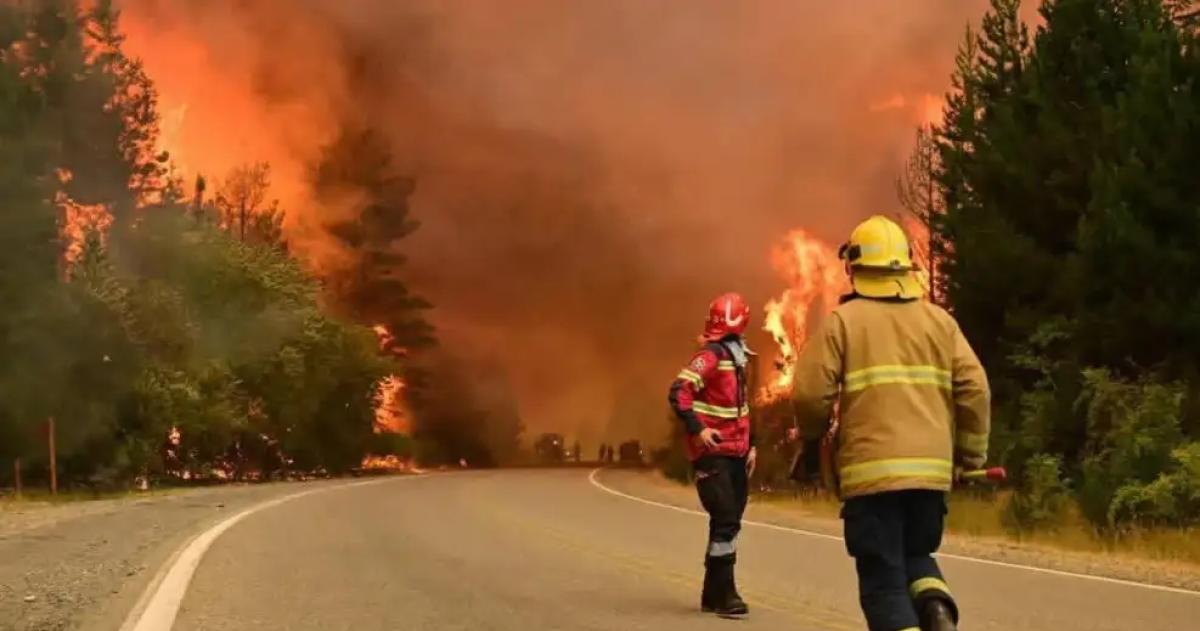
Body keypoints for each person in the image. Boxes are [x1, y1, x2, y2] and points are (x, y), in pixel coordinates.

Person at [792, 216, 990, 631]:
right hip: (931, 476)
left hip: (872, 476)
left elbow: (811, 395)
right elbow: (975, 389)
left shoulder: (843, 323)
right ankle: (936, 607)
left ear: (855, 267)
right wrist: (970, 456)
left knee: (882, 579)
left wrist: (812, 441)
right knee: (917, 555)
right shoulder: (940, 322)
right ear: (904, 265)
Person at [668, 292, 757, 617]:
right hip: (712, 453)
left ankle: (711, 593)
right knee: (725, 520)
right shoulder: (710, 356)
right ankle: (727, 594)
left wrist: (753, 445)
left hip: (736, 452)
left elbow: (744, 407)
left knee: (727, 524)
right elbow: (679, 391)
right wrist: (699, 429)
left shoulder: (738, 357)